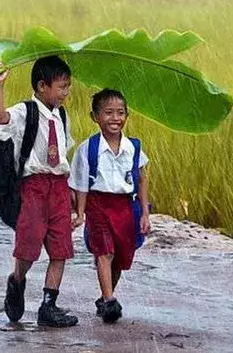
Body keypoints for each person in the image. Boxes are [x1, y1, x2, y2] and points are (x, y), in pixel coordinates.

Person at [0, 56, 78, 327]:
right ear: (42, 86)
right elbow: (0, 118)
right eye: (61, 87)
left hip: (59, 187)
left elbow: (63, 154)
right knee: (28, 249)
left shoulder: (62, 116)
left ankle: (48, 306)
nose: (66, 93)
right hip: (34, 187)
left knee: (61, 249)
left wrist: (71, 190)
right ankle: (17, 280)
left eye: (68, 86)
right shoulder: (25, 111)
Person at [69, 88, 151, 324]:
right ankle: (109, 301)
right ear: (94, 116)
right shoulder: (88, 149)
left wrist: (145, 213)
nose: (115, 118)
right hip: (98, 205)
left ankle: (106, 296)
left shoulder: (133, 147)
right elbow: (81, 184)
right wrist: (80, 213)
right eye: (108, 113)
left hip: (125, 206)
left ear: (127, 115)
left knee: (121, 257)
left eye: (120, 113)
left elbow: (142, 178)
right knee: (104, 251)